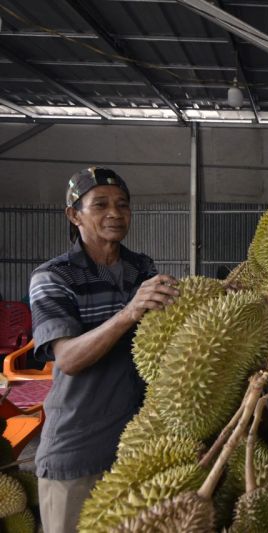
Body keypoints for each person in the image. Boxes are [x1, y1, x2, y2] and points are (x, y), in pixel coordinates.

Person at [28, 167, 180, 533]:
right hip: (78, 449)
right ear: (74, 215)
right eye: (100, 205)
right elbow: (68, 359)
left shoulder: (141, 268)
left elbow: (164, 338)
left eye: (122, 204)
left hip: (138, 449)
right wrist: (128, 313)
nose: (115, 213)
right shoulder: (53, 277)